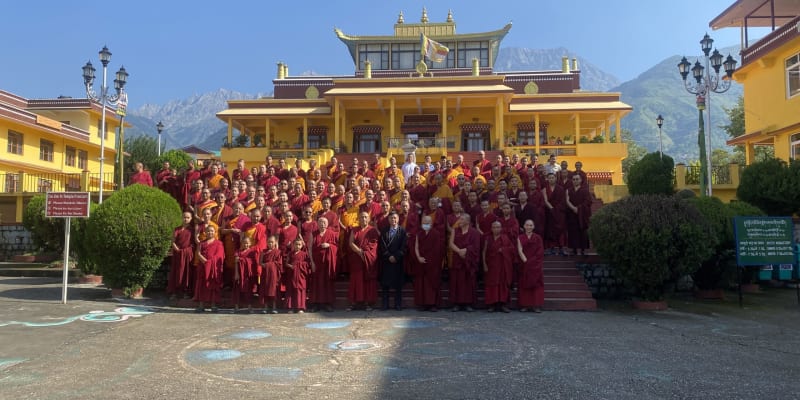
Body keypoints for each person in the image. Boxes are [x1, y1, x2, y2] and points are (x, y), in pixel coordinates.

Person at [347, 211, 380, 311]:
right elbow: (350, 242)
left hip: (368, 259)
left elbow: (374, 245)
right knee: (356, 281)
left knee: (367, 281)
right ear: (358, 218)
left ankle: (367, 303)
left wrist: (365, 253)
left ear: (369, 219)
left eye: (365, 217)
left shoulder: (372, 230)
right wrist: (359, 252)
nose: (363, 219)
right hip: (357, 258)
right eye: (361, 217)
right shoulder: (355, 229)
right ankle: (354, 303)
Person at [448, 214, 480, 312]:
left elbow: (476, 246)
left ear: (467, 221)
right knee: (457, 281)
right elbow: (451, 243)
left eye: (461, 219)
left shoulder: (474, 232)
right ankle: (457, 303)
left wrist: (466, 250)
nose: (459, 221)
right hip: (458, 259)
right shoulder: (455, 230)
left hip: (468, 260)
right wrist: (459, 251)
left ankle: (468, 304)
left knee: (468, 282)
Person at [413, 215, 444, 311]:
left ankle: (433, 304)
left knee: (432, 283)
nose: (426, 224)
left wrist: (429, 260)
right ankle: (422, 304)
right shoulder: (419, 234)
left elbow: (437, 250)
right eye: (424, 223)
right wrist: (418, 257)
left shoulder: (436, 234)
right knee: (421, 283)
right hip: (421, 262)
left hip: (433, 264)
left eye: (428, 223)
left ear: (431, 223)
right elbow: (416, 246)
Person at [483, 221, 515, 313]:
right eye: (494, 227)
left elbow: (512, 249)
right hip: (491, 266)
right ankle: (492, 305)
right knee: (491, 284)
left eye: (498, 227)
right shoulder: (487, 238)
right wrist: (484, 264)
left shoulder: (505, 238)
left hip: (502, 266)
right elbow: (484, 252)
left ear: (501, 228)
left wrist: (504, 250)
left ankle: (503, 304)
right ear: (491, 228)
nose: (496, 229)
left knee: (503, 284)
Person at [309, 216, 339, 312]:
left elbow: (337, 247)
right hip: (317, 263)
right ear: (317, 224)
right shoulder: (313, 234)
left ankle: (327, 304)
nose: (322, 224)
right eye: (320, 222)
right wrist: (312, 262)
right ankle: (316, 304)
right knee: (316, 283)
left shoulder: (332, 234)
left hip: (327, 263)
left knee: (327, 283)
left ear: (327, 224)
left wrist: (329, 245)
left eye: (324, 222)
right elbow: (309, 249)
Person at [378, 212, 407, 311]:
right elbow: (382, 246)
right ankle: (385, 304)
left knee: (398, 285)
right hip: (387, 261)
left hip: (398, 261)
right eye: (391, 218)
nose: (393, 220)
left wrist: (396, 256)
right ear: (388, 219)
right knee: (385, 284)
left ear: (398, 219)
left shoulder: (402, 231)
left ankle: (398, 304)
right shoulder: (384, 231)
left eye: (395, 218)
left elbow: (404, 246)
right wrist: (388, 256)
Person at [194, 225, 224, 313]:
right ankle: (201, 305)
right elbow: (198, 253)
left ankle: (213, 305)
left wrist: (209, 262)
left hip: (213, 268)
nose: (210, 232)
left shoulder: (219, 243)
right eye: (208, 231)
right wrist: (205, 261)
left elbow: (219, 256)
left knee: (213, 285)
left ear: (215, 233)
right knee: (201, 285)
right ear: (205, 233)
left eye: (212, 231)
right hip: (203, 267)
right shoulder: (201, 243)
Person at [517, 219, 545, 312]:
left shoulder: (538, 238)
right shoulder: (520, 237)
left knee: (536, 285)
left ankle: (536, 306)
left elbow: (540, 252)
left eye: (531, 225)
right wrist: (525, 261)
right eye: (527, 225)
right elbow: (519, 250)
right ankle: (525, 305)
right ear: (524, 226)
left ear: (533, 227)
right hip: (524, 264)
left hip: (535, 266)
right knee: (524, 284)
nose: (529, 227)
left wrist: (531, 262)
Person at [167, 211, 194, 300]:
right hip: (178, 254)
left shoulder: (192, 230)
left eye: (188, 218)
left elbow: (193, 243)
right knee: (176, 272)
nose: (186, 219)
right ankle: (174, 292)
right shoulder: (177, 229)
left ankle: (186, 292)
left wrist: (186, 250)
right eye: (184, 217)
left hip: (187, 254)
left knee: (187, 272)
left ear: (191, 219)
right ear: (181, 218)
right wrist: (177, 249)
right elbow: (173, 241)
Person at [565, 174, 592, 256]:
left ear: (580, 180)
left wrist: (579, 208)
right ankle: (574, 249)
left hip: (582, 215)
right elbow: (566, 201)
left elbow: (588, 202)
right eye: (573, 179)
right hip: (572, 214)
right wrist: (574, 208)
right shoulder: (568, 190)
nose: (575, 181)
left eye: (577, 179)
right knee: (573, 232)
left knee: (583, 232)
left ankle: (583, 250)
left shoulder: (585, 190)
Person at [284, 237, 310, 313]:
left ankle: (300, 307)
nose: (297, 246)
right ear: (293, 245)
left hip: (300, 276)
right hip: (292, 275)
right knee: (291, 290)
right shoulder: (290, 253)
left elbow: (307, 264)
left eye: (299, 245)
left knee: (300, 290)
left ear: (302, 245)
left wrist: (298, 264)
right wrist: (290, 266)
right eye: (296, 244)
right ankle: (291, 307)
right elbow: (286, 263)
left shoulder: (304, 254)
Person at [233, 236, 258, 313]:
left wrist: (241, 259)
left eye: (247, 243)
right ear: (242, 243)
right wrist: (236, 273)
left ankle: (249, 307)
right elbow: (236, 263)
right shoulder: (238, 252)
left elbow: (253, 262)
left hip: (248, 274)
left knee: (249, 290)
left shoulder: (252, 252)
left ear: (250, 243)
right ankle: (236, 307)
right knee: (236, 289)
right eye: (244, 243)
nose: (245, 244)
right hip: (240, 273)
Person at [259, 236, 282, 314]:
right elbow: (260, 263)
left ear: (275, 242)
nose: (270, 243)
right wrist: (264, 265)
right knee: (265, 289)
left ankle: (274, 307)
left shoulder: (278, 252)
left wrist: (268, 264)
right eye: (269, 242)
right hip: (265, 274)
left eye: (272, 242)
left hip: (274, 274)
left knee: (273, 290)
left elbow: (279, 263)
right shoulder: (263, 252)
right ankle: (265, 307)